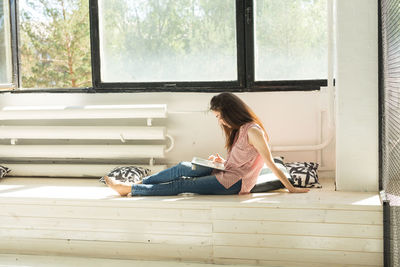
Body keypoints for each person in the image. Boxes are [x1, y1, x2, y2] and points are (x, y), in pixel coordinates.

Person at [105, 92, 310, 196]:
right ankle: (139, 184)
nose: (220, 121)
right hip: (226, 173)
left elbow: (271, 163)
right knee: (182, 168)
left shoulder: (254, 131)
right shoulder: (239, 130)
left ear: (231, 112)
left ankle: (132, 189)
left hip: (235, 183)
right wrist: (220, 162)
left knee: (184, 185)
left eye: (221, 116)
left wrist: (291, 188)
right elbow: (241, 160)